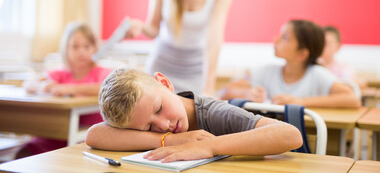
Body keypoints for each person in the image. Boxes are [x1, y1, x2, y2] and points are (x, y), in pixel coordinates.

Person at [86, 68, 302, 162]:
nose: (163, 125)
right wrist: (170, 140)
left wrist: (208, 146)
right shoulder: (161, 129)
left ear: (165, 83)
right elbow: (94, 135)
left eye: (159, 109)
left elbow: (290, 135)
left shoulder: (212, 113)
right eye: (148, 128)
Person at [17, 22, 112, 158]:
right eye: (75, 47)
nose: (81, 51)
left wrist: (69, 88)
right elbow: (28, 84)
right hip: (57, 132)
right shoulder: (60, 74)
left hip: (87, 135)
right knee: (24, 152)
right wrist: (45, 86)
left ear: (95, 49)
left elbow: (106, 86)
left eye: (87, 46)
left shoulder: (100, 72)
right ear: (65, 49)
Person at [219, 20, 361, 108]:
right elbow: (226, 91)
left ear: (302, 53)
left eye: (285, 37)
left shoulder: (318, 75)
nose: (276, 40)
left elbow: (352, 99)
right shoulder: (263, 72)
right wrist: (246, 93)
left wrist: (301, 101)